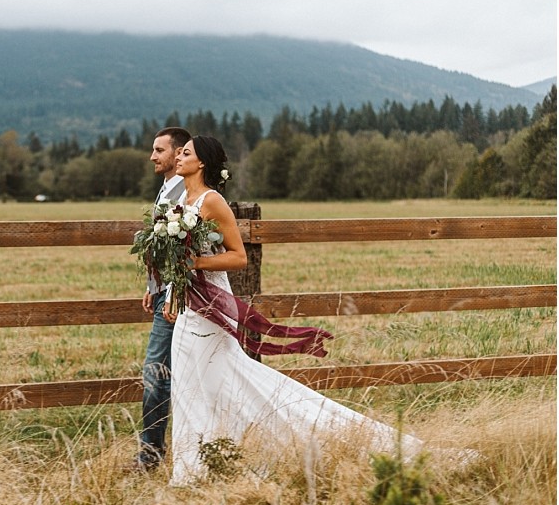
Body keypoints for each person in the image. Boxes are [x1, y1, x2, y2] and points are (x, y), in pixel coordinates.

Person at [164, 135, 477, 486]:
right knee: (192, 381)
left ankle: (209, 465)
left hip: (213, 305)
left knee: (216, 379)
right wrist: (172, 294)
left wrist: (198, 262)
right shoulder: (181, 201)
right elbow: (178, 261)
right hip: (189, 304)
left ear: (202, 162)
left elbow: (237, 257)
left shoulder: (212, 201)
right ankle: (199, 466)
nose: (178, 156)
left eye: (186, 152)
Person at [131, 127, 191, 472]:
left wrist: (170, 293)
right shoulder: (168, 186)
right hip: (163, 293)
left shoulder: (185, 190)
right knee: (165, 372)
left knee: (156, 374)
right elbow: (166, 248)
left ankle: (150, 455)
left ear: (179, 152)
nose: (153, 156)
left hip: (175, 299)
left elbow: (185, 248)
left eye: (159, 150)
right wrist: (152, 285)